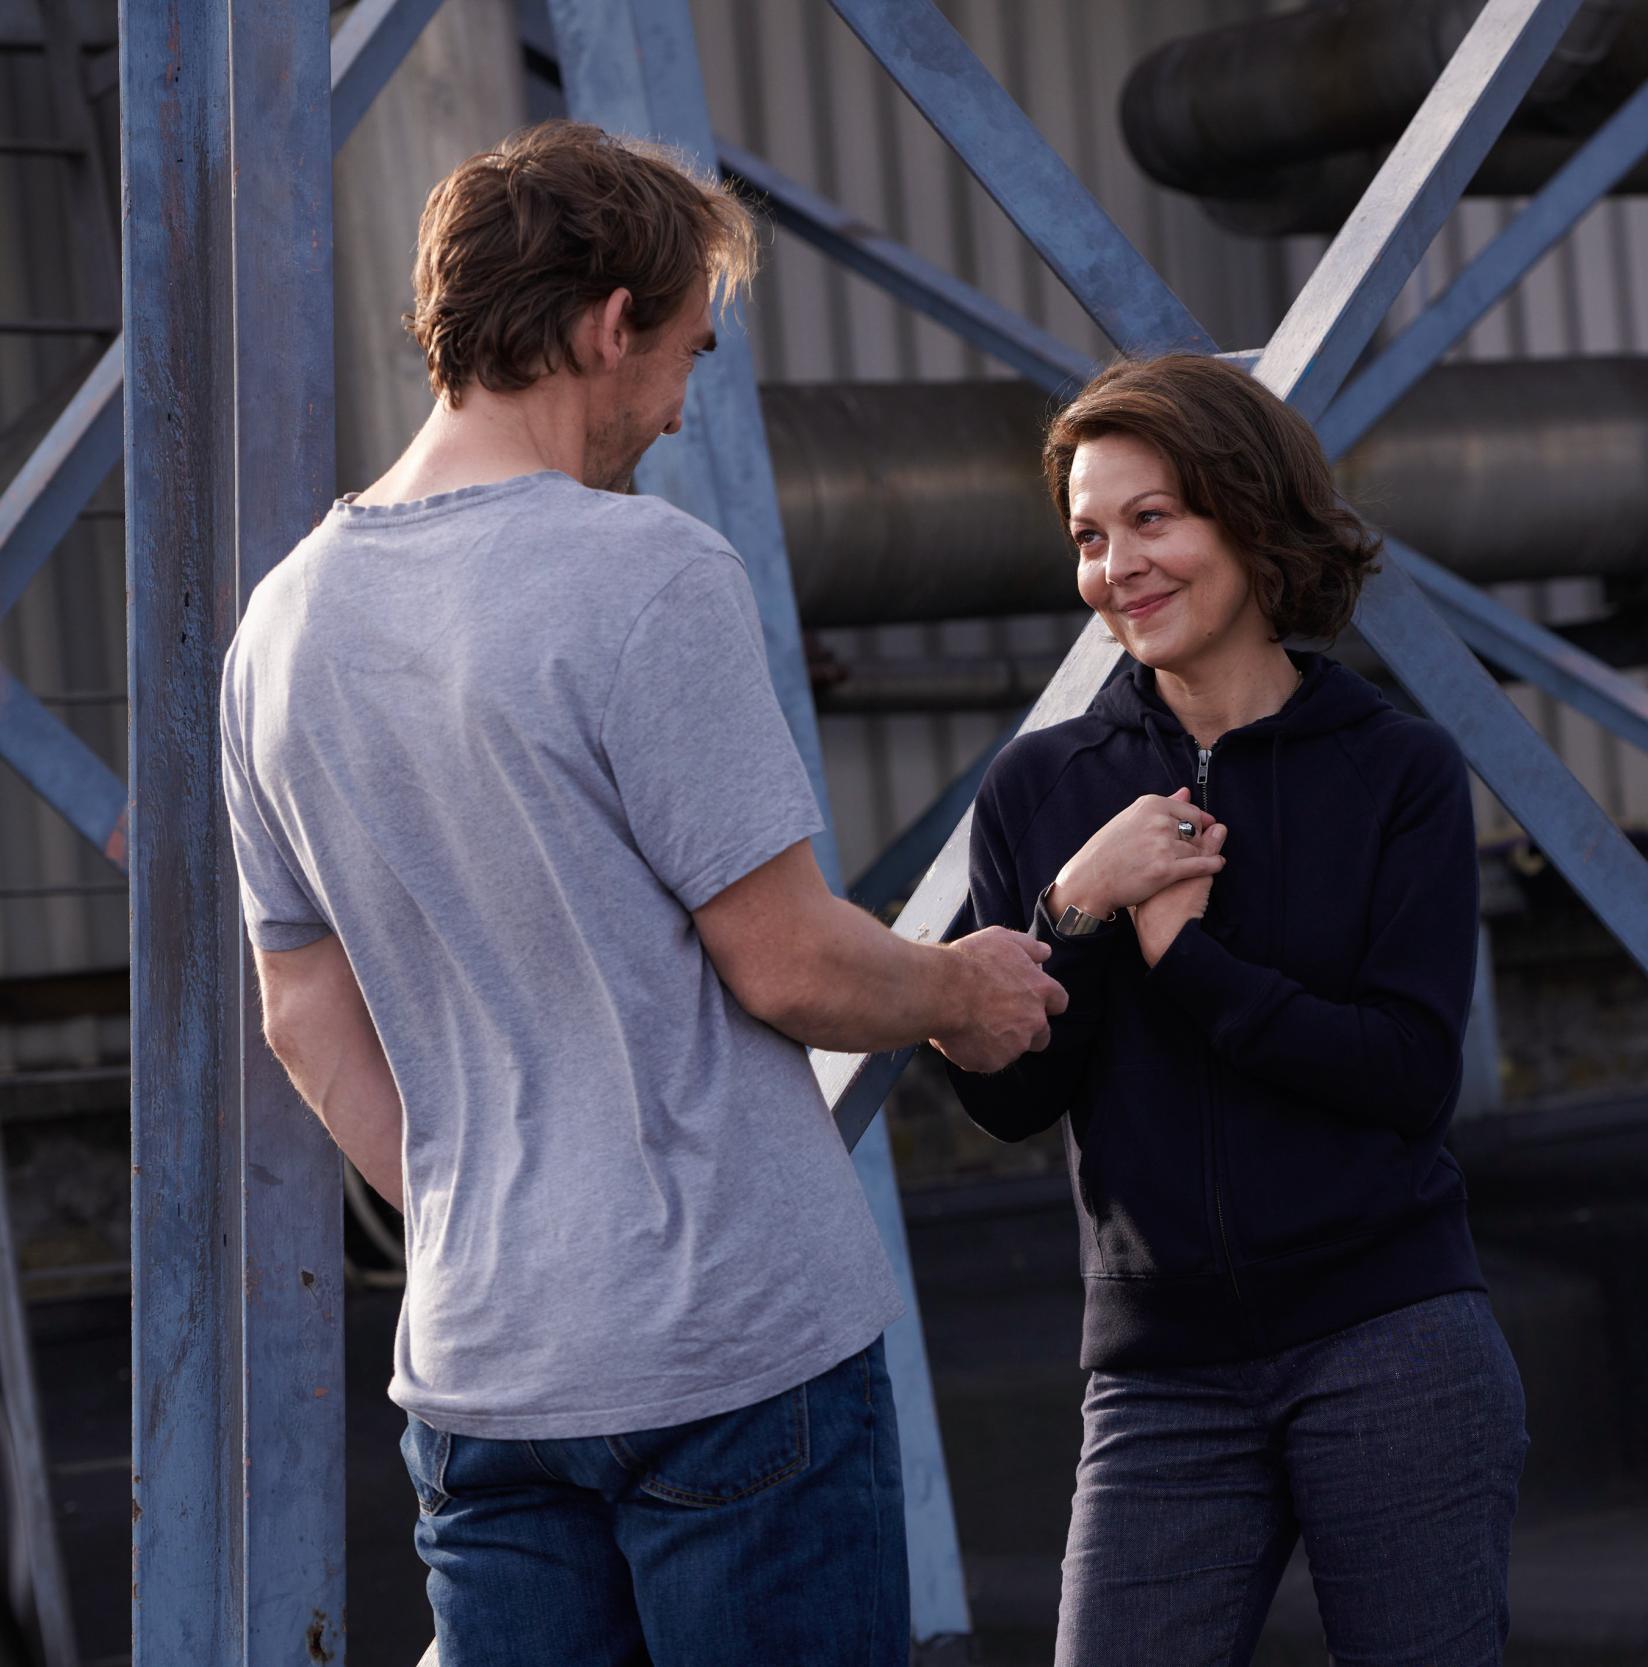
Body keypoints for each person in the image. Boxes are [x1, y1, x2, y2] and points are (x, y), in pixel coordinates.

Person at [220, 120, 1063, 1667]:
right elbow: (793, 968)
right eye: (687, 351)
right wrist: (966, 989)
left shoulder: (281, 624)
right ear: (609, 326)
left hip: (482, 1375)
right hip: (727, 1352)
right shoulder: (643, 574)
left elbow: (300, 1008)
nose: (680, 411)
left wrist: (498, 1217)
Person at [944, 354, 1529, 1666]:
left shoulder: (1399, 772)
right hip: (1158, 1378)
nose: (1118, 567)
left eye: (1155, 519)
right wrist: (1079, 912)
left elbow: (1405, 1076)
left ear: (1250, 518)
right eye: (1090, 536)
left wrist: (1190, 960)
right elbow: (1005, 1096)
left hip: (1392, 1344)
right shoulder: (1041, 791)